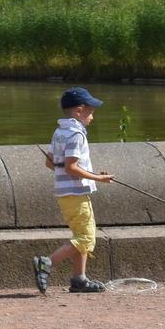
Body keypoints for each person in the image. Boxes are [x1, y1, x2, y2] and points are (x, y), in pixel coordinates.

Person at [35, 88, 114, 295]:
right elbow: (71, 167)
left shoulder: (59, 131)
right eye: (90, 112)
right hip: (76, 193)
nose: (92, 117)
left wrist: (87, 172)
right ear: (79, 111)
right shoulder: (77, 134)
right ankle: (46, 262)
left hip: (64, 193)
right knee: (87, 238)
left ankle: (79, 279)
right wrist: (98, 178)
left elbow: (50, 163)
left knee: (81, 235)